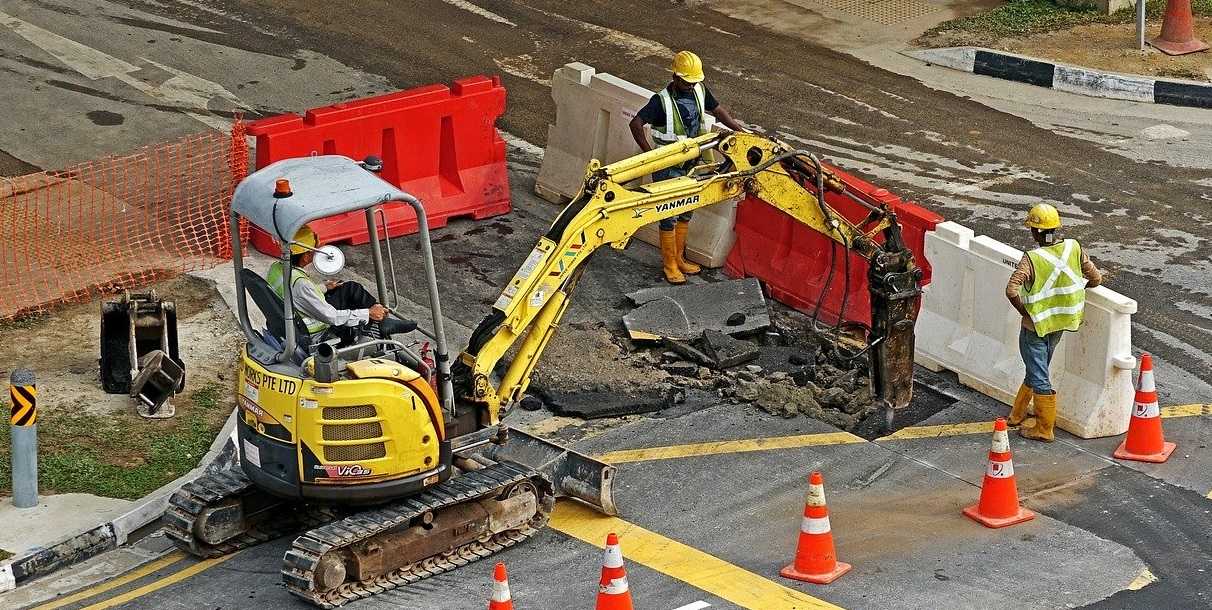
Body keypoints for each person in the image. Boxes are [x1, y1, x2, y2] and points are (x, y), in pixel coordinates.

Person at [628, 50, 746, 285]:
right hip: (668, 168)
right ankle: (669, 264)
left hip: (692, 165)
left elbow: (718, 110)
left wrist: (737, 129)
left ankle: (680, 259)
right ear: (675, 77)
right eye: (687, 82)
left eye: (695, 82)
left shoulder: (699, 90)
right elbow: (636, 123)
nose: (692, 86)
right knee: (669, 215)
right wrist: (649, 155)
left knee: (686, 211)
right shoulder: (660, 102)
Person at [1005, 203, 1103, 442]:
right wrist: (1077, 290)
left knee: (1039, 374)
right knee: (1037, 367)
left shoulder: (1032, 259)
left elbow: (1011, 290)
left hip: (1035, 327)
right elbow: (1096, 278)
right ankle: (1017, 414)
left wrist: (1026, 313)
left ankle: (1044, 428)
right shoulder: (1073, 248)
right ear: (1056, 229)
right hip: (1060, 323)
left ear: (1035, 232)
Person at [267, 225, 414, 346]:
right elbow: (331, 317)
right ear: (305, 256)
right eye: (313, 250)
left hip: (295, 314)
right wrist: (367, 313)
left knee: (350, 288)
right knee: (355, 300)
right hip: (315, 328)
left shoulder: (276, 268)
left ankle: (382, 320)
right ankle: (378, 318)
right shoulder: (301, 283)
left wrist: (324, 287)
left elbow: (295, 294)